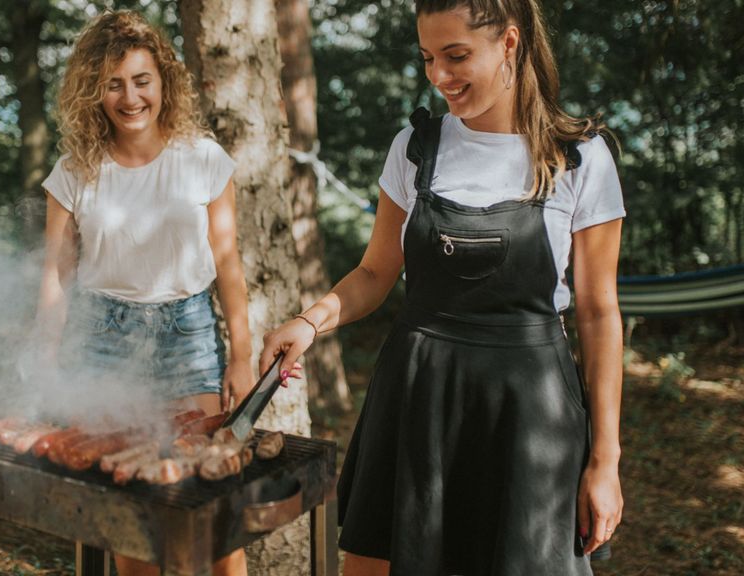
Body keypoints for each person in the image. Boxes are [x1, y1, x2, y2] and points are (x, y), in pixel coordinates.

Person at [260, 0, 625, 574]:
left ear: (509, 44)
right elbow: (376, 273)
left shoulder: (579, 157)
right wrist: (310, 323)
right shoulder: (414, 148)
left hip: (528, 412)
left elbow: (599, 312)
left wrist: (605, 458)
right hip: (416, 398)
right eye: (428, 58)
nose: (439, 77)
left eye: (456, 56)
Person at [34, 10, 259, 576]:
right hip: (105, 340)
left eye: (141, 80)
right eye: (113, 84)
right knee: (131, 519)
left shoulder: (203, 159)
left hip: (188, 336)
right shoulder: (73, 172)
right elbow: (56, 278)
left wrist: (242, 355)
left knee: (212, 508)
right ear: (94, 91)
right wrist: (42, 357)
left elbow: (228, 262)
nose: (130, 97)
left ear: (163, 82)